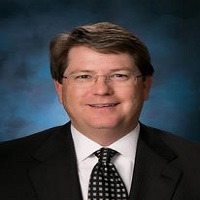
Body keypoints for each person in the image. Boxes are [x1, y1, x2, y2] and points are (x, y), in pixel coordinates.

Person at [0, 22, 200, 200]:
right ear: (60, 89)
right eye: (84, 76)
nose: (102, 90)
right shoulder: (6, 165)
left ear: (145, 86)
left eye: (119, 75)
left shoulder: (194, 163)